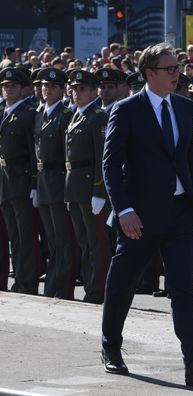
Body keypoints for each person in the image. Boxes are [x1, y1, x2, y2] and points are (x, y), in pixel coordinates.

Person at [101, 43, 193, 386]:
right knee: (123, 283)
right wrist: (123, 209)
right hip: (140, 214)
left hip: (181, 213)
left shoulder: (184, 108)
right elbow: (111, 166)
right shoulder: (126, 110)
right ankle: (111, 346)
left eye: (177, 68)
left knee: (183, 286)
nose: (176, 74)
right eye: (169, 69)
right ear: (149, 73)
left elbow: (191, 161)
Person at [65, 69, 112, 304]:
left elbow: (102, 159)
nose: (76, 92)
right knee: (84, 242)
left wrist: (99, 191)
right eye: (74, 88)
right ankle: (90, 287)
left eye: (82, 89)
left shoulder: (98, 116)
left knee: (97, 243)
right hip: (74, 187)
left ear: (94, 91)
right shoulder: (77, 114)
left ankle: (99, 291)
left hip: (89, 188)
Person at [34, 67, 75, 299]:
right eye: (43, 86)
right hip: (43, 180)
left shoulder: (65, 114)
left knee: (63, 238)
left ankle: (63, 286)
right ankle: (52, 284)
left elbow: (66, 154)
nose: (45, 90)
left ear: (61, 90)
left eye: (51, 86)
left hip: (59, 180)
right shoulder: (41, 114)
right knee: (51, 239)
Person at [0, 67, 40, 295]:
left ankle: (27, 282)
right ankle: (17, 279)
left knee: (25, 235)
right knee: (12, 235)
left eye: (13, 86)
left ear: (23, 89)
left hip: (22, 177)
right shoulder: (3, 112)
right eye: (5, 86)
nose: (8, 89)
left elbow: (34, 153)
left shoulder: (27, 113)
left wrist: (34, 183)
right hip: (5, 178)